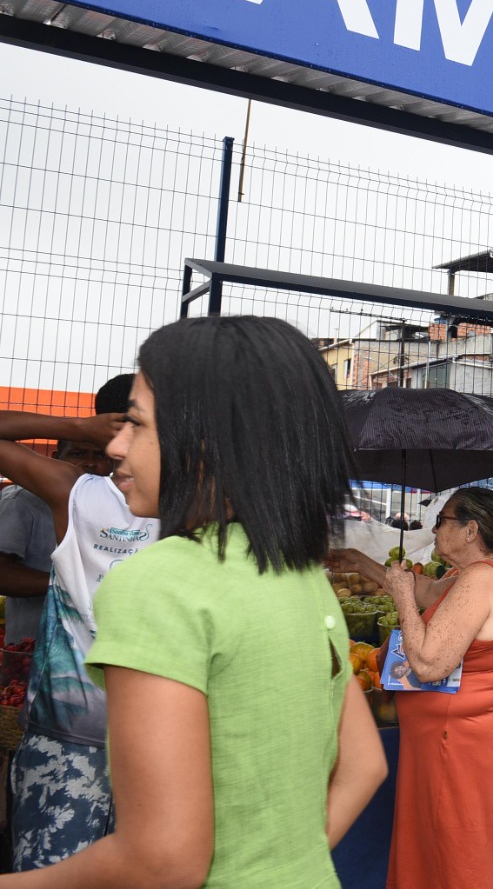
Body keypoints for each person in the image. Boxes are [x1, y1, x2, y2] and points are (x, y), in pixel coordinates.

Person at [0, 316, 388, 887]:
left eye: (136, 424)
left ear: (204, 442)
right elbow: (365, 766)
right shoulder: (297, 570)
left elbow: (162, 861)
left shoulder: (157, 583)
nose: (114, 445)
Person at [332, 486, 493, 889]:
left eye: (442, 520)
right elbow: (425, 591)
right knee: (442, 850)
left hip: (454, 745)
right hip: (453, 740)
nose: (435, 529)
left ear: (471, 530)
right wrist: (358, 562)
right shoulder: (476, 576)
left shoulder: (480, 580)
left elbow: (427, 663)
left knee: (452, 857)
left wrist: (404, 601)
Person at [0, 376, 159, 869]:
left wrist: (77, 428)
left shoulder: (202, 512)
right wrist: (77, 427)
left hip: (134, 743)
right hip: (84, 739)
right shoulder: (79, 494)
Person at [0, 441, 111, 647]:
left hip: (98, 647)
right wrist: (73, 585)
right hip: (33, 647)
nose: (90, 463)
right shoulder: (21, 501)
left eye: (101, 456)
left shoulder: (121, 506)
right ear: (55, 458)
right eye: (78, 454)